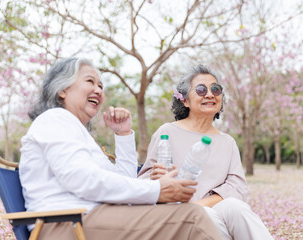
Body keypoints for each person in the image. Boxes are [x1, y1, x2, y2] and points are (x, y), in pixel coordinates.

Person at [19, 58, 222, 240]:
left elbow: (123, 181)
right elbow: (82, 179)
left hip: (93, 218)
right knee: (192, 218)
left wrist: (123, 135)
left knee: (187, 214)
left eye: (101, 85)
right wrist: (157, 190)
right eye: (90, 81)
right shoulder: (55, 119)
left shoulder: (76, 131)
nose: (98, 90)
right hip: (66, 225)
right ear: (62, 89)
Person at [138, 65, 273, 240]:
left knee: (236, 207)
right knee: (204, 217)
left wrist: (199, 205)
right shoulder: (167, 133)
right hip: (174, 214)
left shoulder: (227, 142)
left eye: (215, 89)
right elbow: (144, 180)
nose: (210, 94)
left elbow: (236, 187)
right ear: (185, 100)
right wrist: (155, 179)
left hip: (212, 207)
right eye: (201, 90)